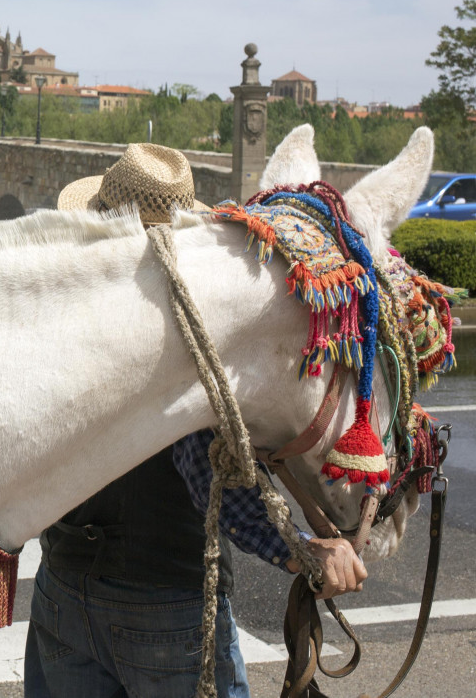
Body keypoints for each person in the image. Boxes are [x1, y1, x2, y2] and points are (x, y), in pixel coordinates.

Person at [25, 144, 367, 698]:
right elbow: (207, 472)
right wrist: (301, 551)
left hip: (62, 589)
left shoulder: (62, 313)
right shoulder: (180, 335)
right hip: (163, 607)